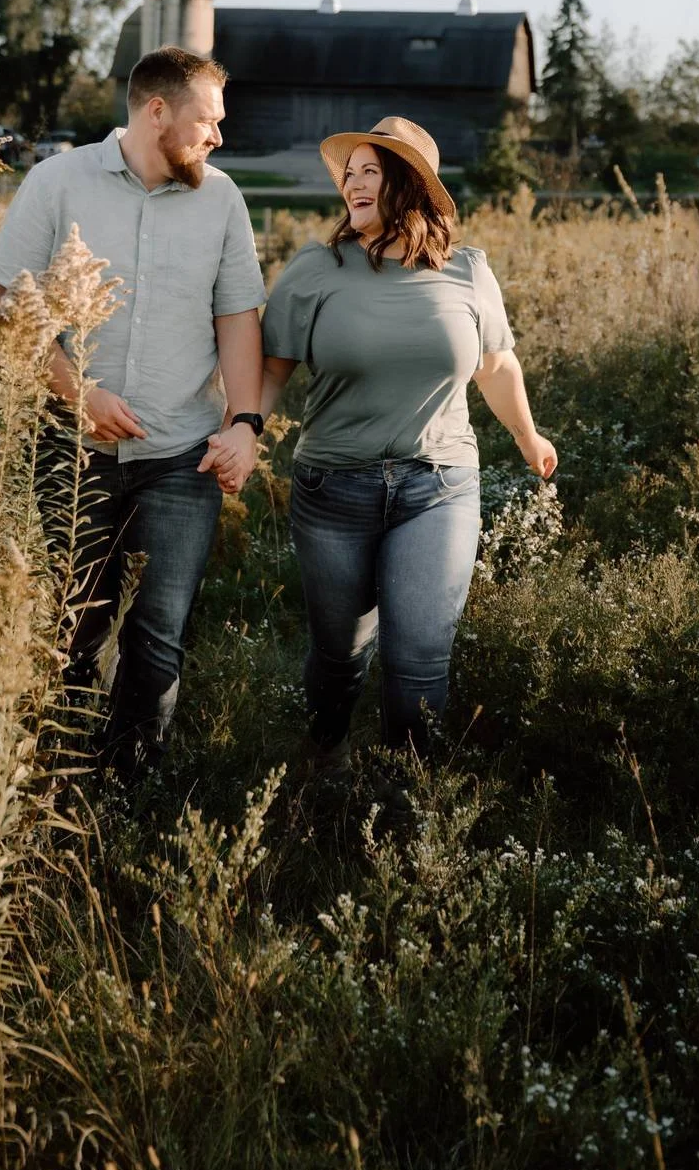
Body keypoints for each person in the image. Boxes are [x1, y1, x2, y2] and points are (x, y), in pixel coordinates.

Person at [0, 45, 267, 781]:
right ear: (157, 111)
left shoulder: (223, 199)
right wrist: (76, 390)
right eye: (208, 121)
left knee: (160, 630)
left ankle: (130, 787)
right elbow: (8, 306)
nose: (218, 137)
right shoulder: (58, 183)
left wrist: (245, 423)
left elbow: (238, 317)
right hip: (71, 449)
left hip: (182, 453)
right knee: (74, 623)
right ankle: (64, 773)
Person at [236, 114, 556, 767]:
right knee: (340, 653)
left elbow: (496, 366)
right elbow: (272, 369)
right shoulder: (316, 268)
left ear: (407, 185)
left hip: (437, 489)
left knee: (417, 662)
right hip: (333, 491)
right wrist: (243, 431)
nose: (352, 185)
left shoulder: (468, 270)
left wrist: (527, 435)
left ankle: (408, 805)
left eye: (369, 172)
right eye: (348, 174)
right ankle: (322, 752)